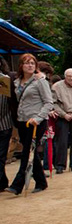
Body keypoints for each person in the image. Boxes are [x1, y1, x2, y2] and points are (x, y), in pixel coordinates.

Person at [5, 54, 52, 195]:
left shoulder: (40, 81)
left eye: (32, 63)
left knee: (27, 152)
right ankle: (41, 182)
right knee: (30, 152)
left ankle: (17, 185)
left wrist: (38, 118)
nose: (30, 65)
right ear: (21, 66)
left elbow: (49, 102)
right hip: (22, 121)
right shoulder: (16, 81)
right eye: (27, 63)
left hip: (36, 122)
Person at [0, 59, 15, 191]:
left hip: (3, 123)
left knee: (1, 155)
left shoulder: (4, 80)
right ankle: (3, 181)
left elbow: (4, 104)